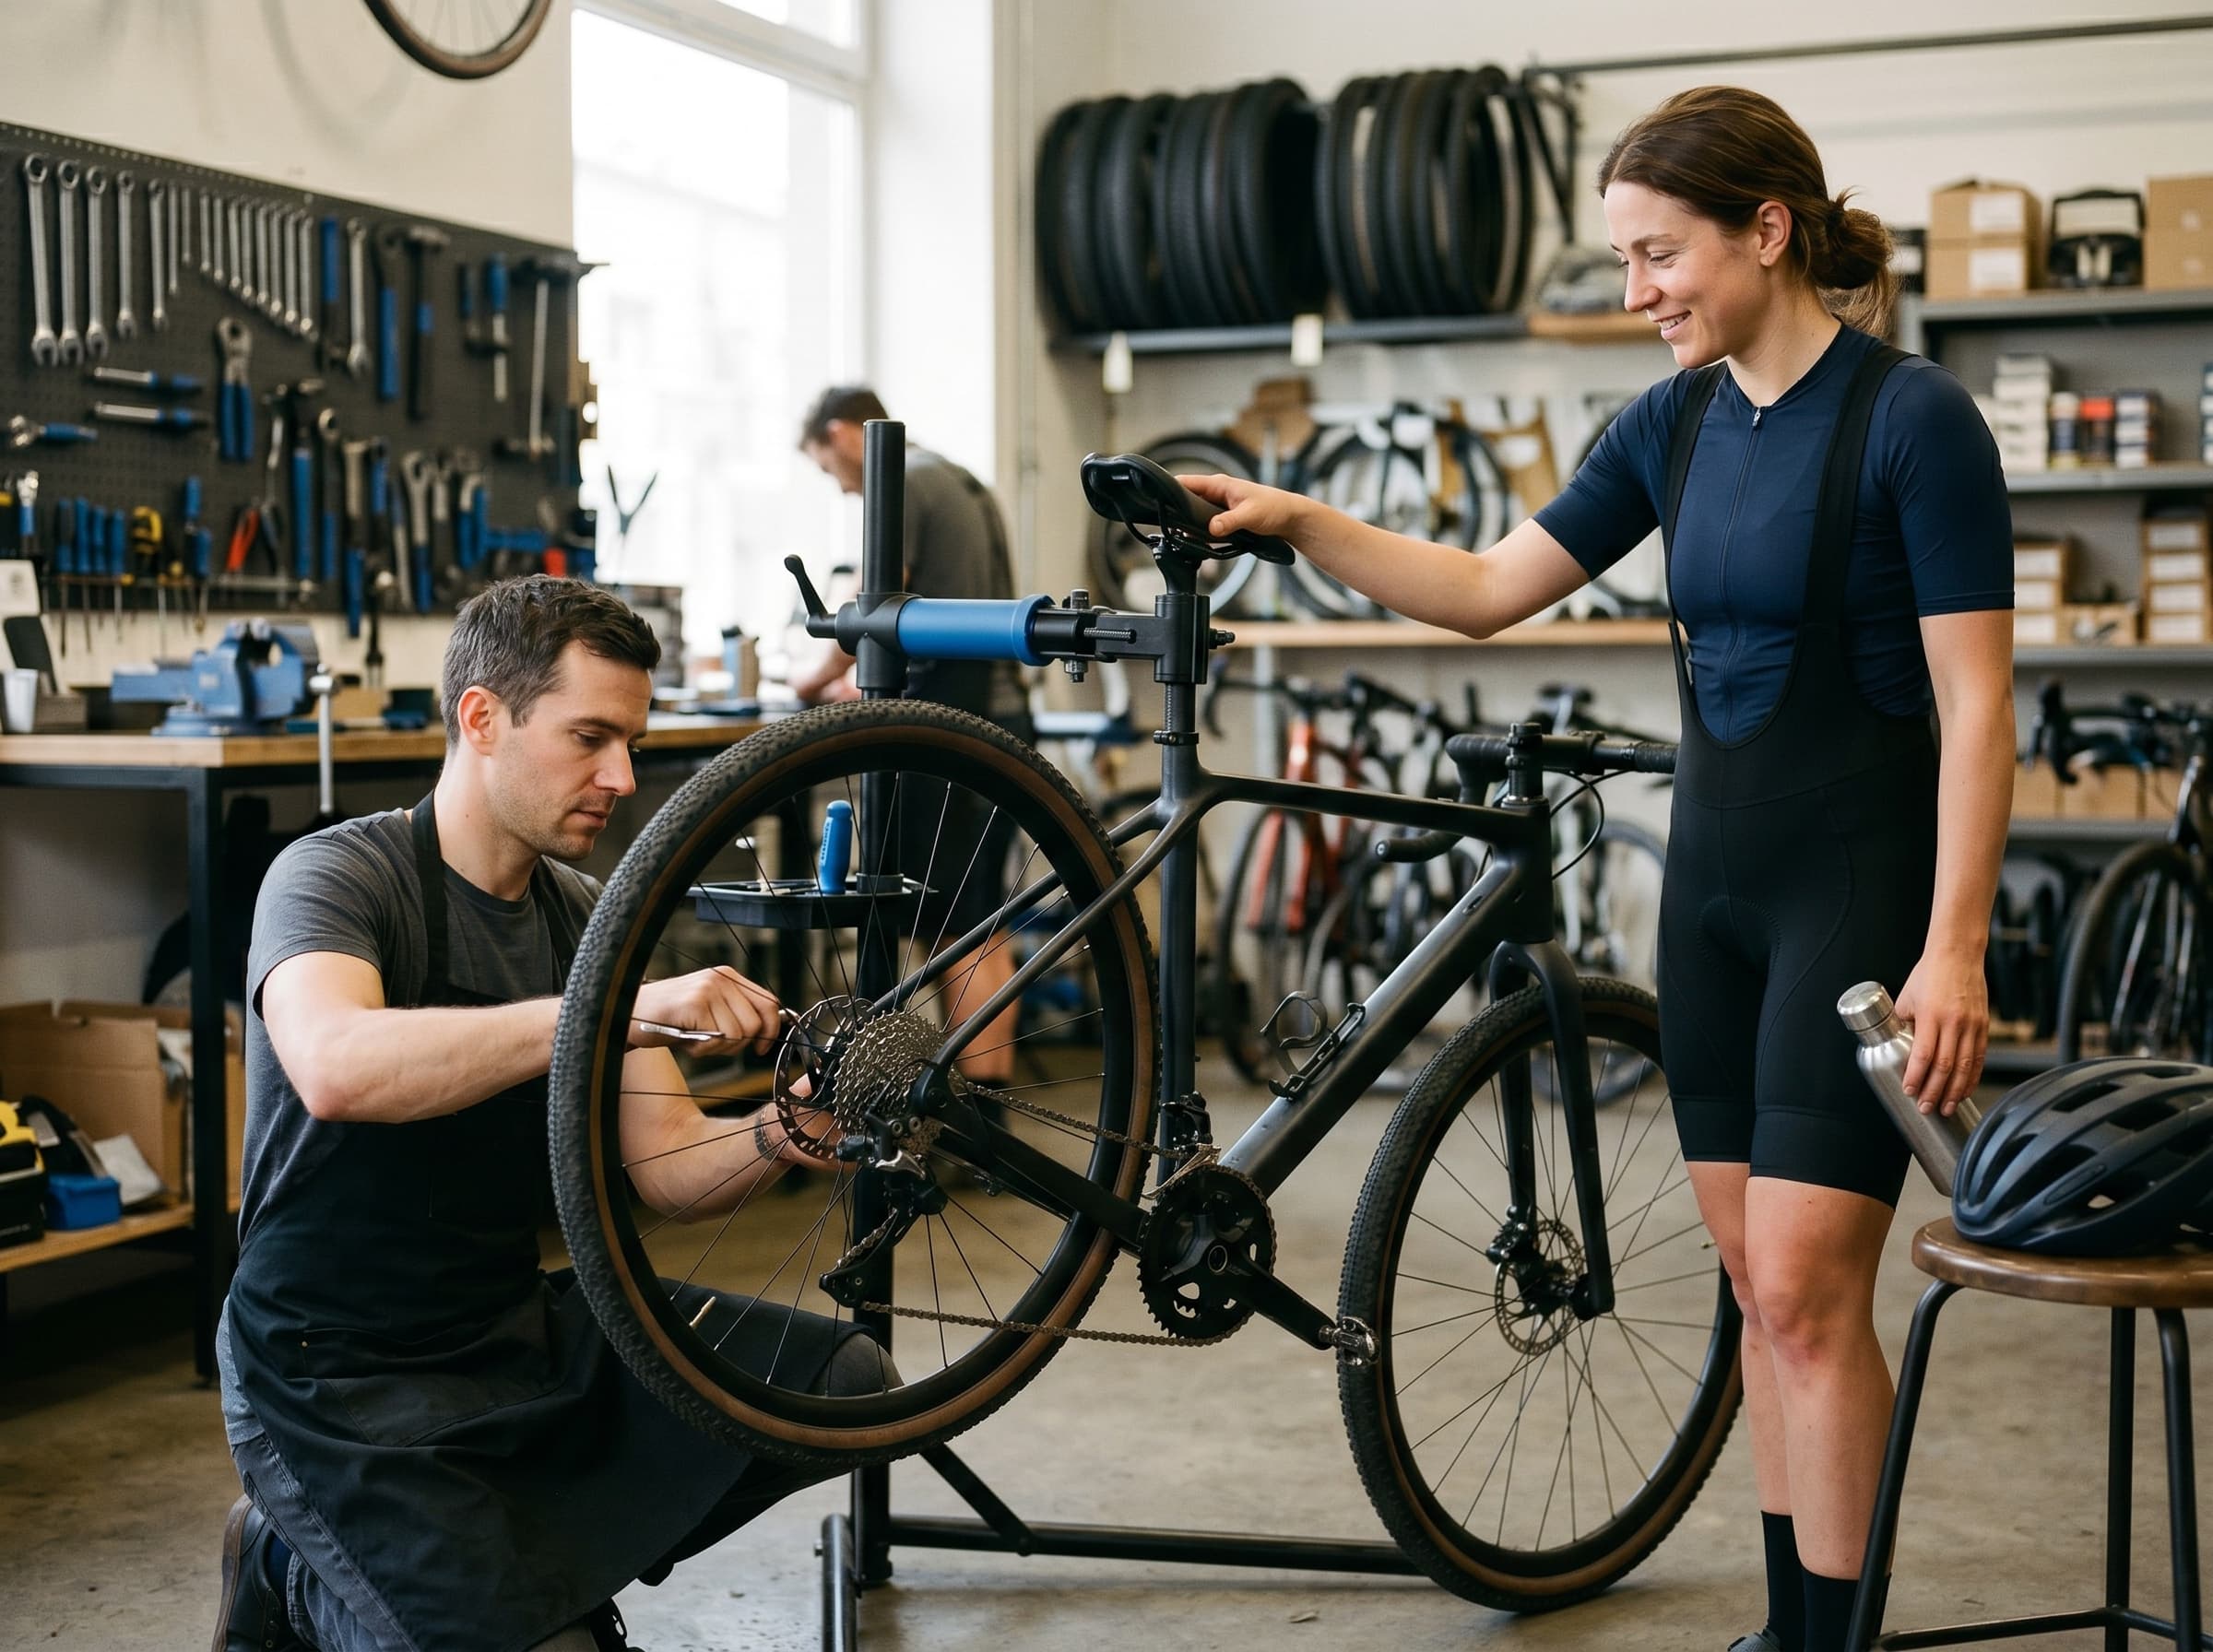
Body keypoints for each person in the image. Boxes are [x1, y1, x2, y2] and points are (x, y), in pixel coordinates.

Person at [1184, 87, 2012, 1652]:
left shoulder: (1917, 422)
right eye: (1624, 261)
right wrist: (1297, 520)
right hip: (1707, 905)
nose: (1636, 295)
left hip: (1860, 899)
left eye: (1658, 256)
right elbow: (1490, 587)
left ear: (1769, 232)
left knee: (1815, 1294)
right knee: (1760, 1296)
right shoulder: (1670, 424)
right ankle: (1792, 1628)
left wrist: (1954, 946)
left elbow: (1979, 705)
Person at [212, 576, 892, 1652]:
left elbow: (664, 1163)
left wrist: (791, 1130)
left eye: (629, 740)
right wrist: (606, 1012)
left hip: (505, 1327)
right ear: (483, 719)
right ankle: (289, 1564)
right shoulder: (338, 875)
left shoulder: (586, 913)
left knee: (840, 1385)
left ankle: (519, 1568)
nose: (620, 777)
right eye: (589, 738)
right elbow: (338, 1066)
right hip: (331, 1369)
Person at [795, 386, 1032, 1083]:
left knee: (956, 928)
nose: (840, 488)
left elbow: (876, 608)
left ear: (842, 433)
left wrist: (812, 681)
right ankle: (983, 1106)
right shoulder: (961, 480)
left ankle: (980, 1116)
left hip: (948, 728)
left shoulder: (901, 483)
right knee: (971, 919)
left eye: (825, 466)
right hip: (993, 715)